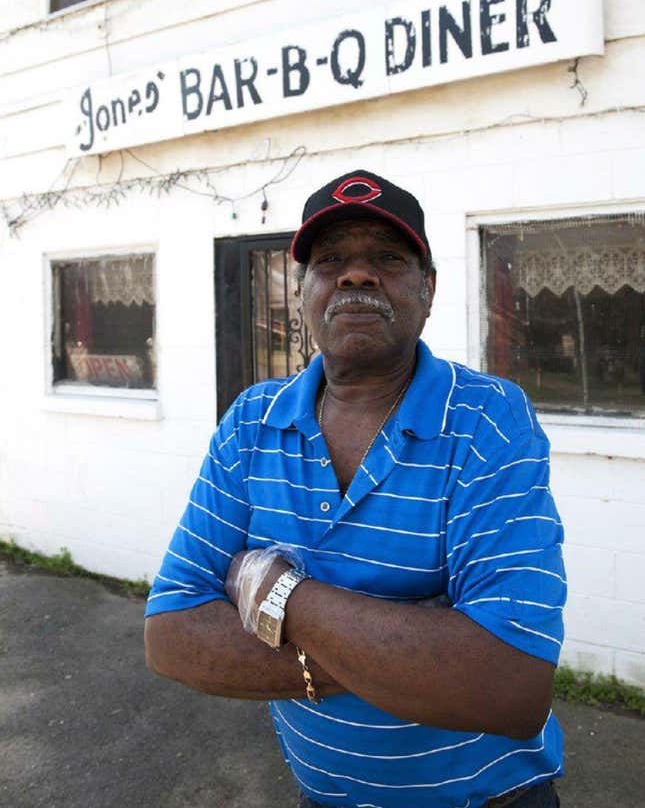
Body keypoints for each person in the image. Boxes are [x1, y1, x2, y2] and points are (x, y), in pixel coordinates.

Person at [144, 170, 566, 808]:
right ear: (304, 290)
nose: (356, 275)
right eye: (331, 259)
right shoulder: (251, 422)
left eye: (387, 259)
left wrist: (274, 593)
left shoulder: (488, 420)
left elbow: (510, 685)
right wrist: (417, 651)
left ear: (428, 289)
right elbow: (171, 636)